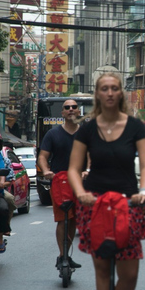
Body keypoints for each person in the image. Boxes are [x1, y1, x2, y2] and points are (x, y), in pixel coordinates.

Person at [67, 72, 145, 290]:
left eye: (115, 88)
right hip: (95, 204)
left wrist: (144, 191)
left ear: (121, 94)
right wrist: (80, 193)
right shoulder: (87, 129)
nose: (110, 92)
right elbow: (73, 168)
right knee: (102, 270)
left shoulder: (136, 126)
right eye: (105, 88)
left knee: (130, 274)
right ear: (97, 94)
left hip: (128, 203)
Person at [38, 99, 83, 272]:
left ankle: (65, 255)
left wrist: (89, 169)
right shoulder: (53, 134)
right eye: (67, 108)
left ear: (79, 111)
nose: (71, 109)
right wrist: (46, 170)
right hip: (59, 181)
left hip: (80, 181)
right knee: (63, 218)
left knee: (74, 219)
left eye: (74, 107)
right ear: (62, 113)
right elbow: (43, 156)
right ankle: (63, 254)